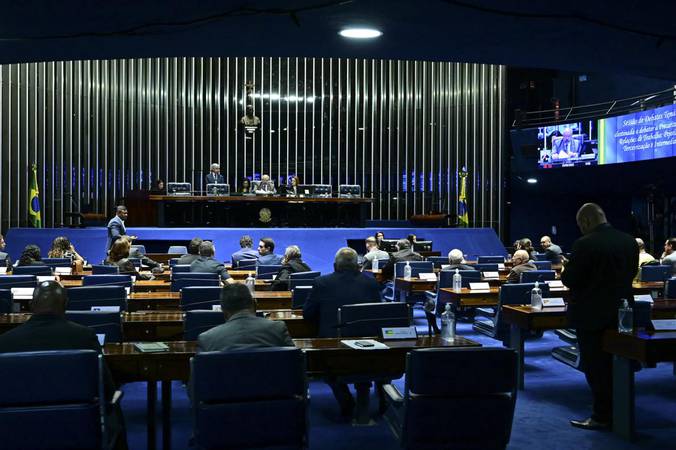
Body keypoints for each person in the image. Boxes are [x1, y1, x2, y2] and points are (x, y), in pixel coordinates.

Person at [0, 280, 127, 449]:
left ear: (31, 305)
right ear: (66, 304)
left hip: (15, 433)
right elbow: (106, 388)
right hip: (76, 430)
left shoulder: (5, 342)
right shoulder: (84, 336)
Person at [561, 203, 637, 430]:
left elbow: (570, 279)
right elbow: (631, 274)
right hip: (623, 313)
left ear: (585, 221)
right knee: (621, 363)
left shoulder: (584, 244)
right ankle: (621, 410)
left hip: (591, 315)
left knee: (596, 368)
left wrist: (566, 270)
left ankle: (602, 416)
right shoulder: (629, 241)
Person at [303, 247, 381, 416]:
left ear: (334, 265)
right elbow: (378, 314)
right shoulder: (371, 283)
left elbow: (308, 314)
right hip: (369, 346)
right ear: (358, 265)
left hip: (333, 347)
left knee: (327, 367)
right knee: (364, 365)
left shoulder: (321, 283)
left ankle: (346, 401)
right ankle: (365, 394)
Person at [197, 283, 294, 351]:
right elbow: (295, 363)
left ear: (223, 310)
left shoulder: (207, 339)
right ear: (254, 304)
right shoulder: (278, 328)